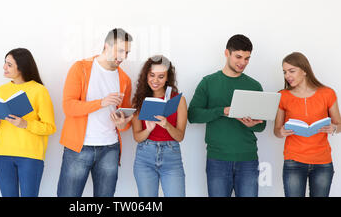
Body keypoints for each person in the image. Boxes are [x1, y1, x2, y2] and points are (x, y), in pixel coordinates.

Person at [57, 28, 134, 197]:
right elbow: (68, 107)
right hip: (79, 148)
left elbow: (125, 121)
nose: (123, 57)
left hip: (110, 149)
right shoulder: (80, 68)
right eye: (120, 50)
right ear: (107, 46)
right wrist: (101, 103)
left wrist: (122, 124)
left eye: (127, 52)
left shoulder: (125, 79)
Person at [188, 34, 266, 197]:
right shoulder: (208, 82)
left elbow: (262, 125)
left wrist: (254, 124)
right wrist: (222, 111)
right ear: (226, 53)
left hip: (248, 159)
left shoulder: (254, 85)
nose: (242, 62)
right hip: (217, 159)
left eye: (247, 58)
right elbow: (193, 115)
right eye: (238, 57)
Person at [0, 48, 56, 197]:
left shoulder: (39, 91)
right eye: (5, 63)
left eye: (9, 64)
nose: (4, 67)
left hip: (30, 156)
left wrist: (25, 124)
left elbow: (50, 127)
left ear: (22, 67)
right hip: (3, 155)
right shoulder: (1, 90)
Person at [274, 52, 341, 197]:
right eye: (285, 72)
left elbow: (339, 124)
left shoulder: (327, 93)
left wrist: (334, 128)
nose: (287, 76)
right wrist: (282, 131)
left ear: (305, 70)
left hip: (322, 162)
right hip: (293, 162)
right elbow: (276, 131)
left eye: (292, 71)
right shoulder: (282, 95)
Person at [131, 55, 187, 197]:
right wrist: (148, 130)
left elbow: (180, 136)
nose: (155, 81)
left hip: (171, 156)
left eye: (161, 76)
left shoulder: (178, 100)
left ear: (167, 77)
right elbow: (137, 137)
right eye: (152, 75)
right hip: (145, 157)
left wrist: (167, 125)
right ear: (146, 76)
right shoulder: (139, 101)